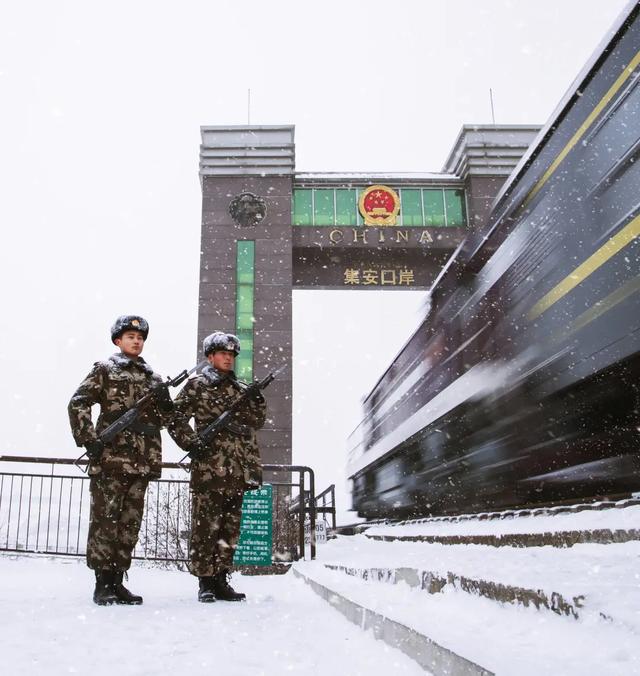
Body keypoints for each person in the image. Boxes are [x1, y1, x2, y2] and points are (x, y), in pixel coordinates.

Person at [68, 315, 173, 606]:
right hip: (111, 459)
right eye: (130, 336)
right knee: (106, 522)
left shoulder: (153, 378)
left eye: (140, 337)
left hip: (141, 461)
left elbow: (164, 420)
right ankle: (102, 583)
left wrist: (165, 402)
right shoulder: (105, 370)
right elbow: (78, 402)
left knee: (129, 525)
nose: (136, 341)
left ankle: (118, 581)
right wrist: (89, 439)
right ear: (118, 340)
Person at [168, 331, 266, 603]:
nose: (228, 358)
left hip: (237, 471)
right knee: (205, 528)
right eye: (223, 353)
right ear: (210, 356)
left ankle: (222, 579)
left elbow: (255, 421)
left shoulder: (240, 389)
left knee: (229, 529)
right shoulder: (196, 386)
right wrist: (191, 443)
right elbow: (175, 418)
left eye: (232, 354)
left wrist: (256, 397)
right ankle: (205, 582)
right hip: (209, 469)